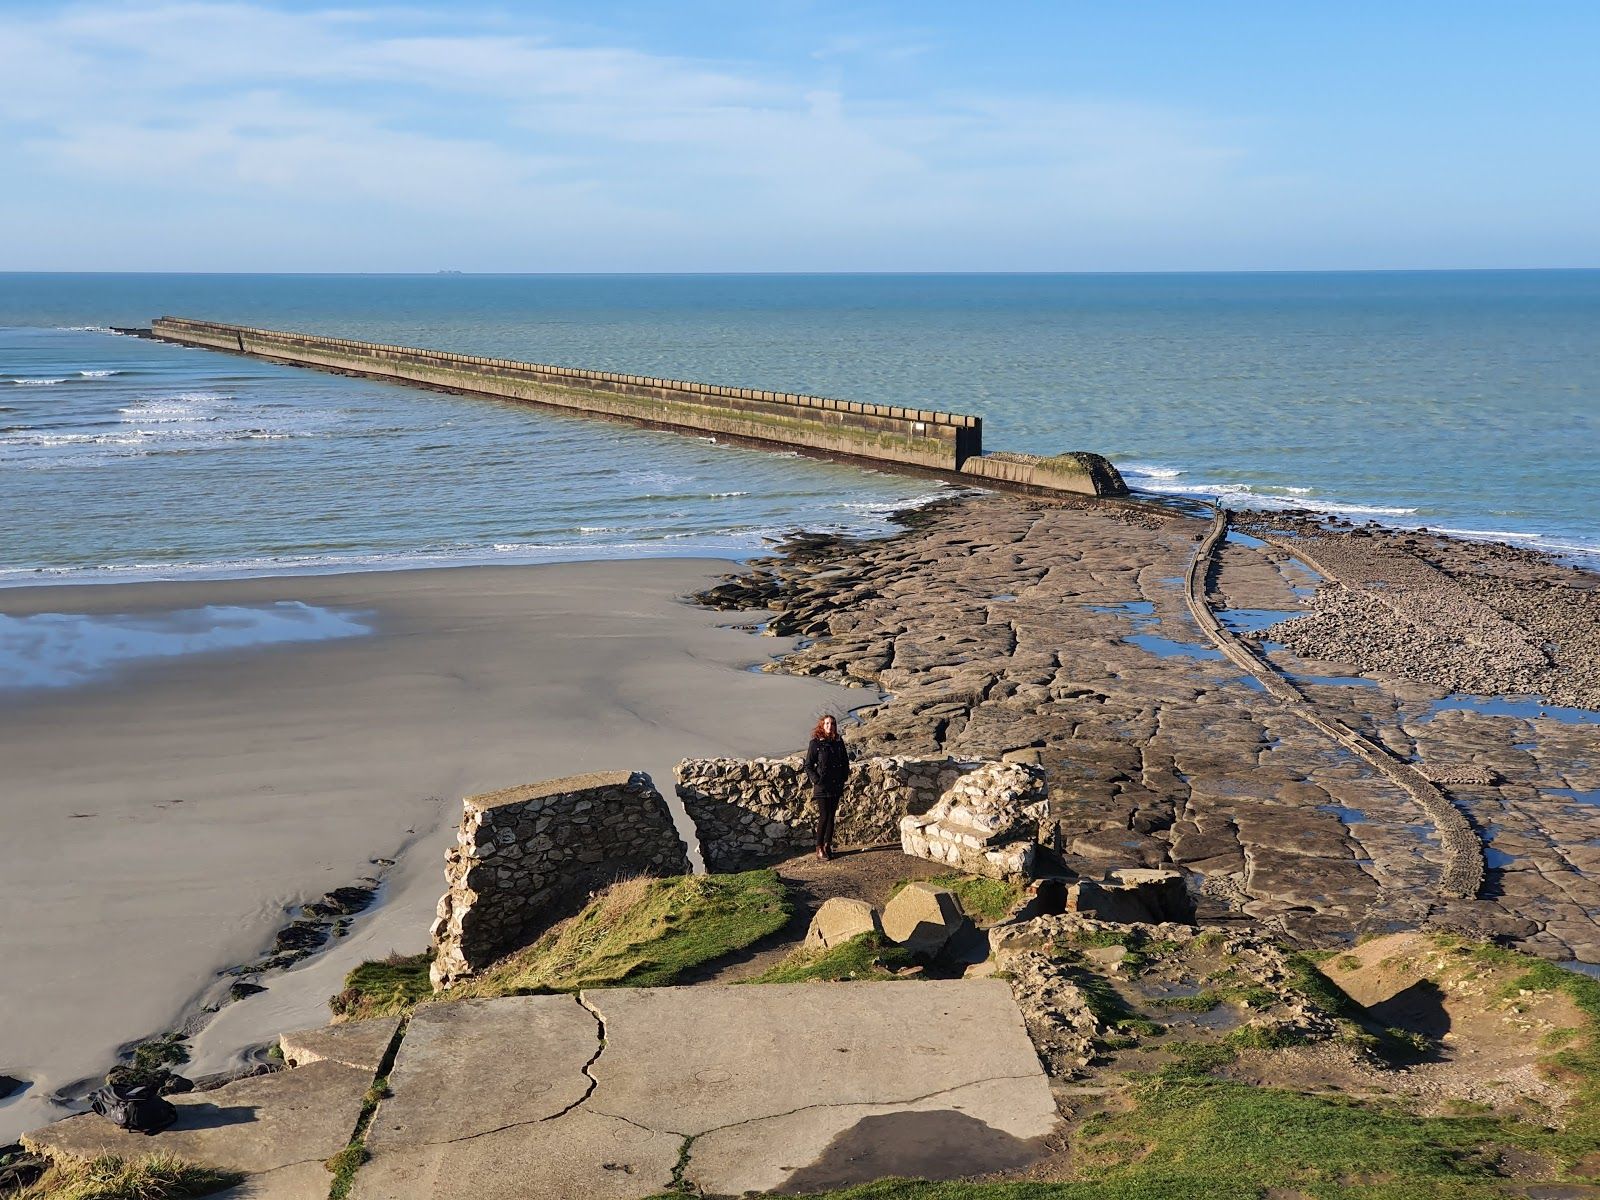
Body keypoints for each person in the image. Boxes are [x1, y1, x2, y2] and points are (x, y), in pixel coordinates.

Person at [803, 714, 850, 860]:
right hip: (822, 786)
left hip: (836, 784)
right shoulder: (815, 743)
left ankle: (827, 846)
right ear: (822, 726)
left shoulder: (838, 741)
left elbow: (845, 761)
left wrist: (843, 777)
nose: (830, 726)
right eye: (827, 723)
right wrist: (817, 780)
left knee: (831, 817)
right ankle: (819, 848)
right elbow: (808, 765)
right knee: (824, 816)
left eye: (832, 724)